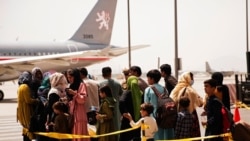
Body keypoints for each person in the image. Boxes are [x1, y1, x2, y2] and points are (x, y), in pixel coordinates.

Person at [170, 72, 203, 139]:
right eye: (192, 78)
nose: (192, 80)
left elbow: (172, 101)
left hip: (178, 115)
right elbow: (200, 103)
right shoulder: (191, 90)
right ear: (188, 79)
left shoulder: (175, 89)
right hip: (191, 116)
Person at [144, 69, 174, 140]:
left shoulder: (148, 90)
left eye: (148, 78)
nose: (147, 80)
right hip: (165, 116)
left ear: (152, 79)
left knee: (155, 136)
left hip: (153, 117)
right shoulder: (164, 89)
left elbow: (146, 106)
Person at [99, 66, 123, 137]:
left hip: (105, 109)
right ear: (111, 73)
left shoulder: (101, 84)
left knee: (106, 129)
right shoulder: (117, 83)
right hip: (116, 108)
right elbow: (121, 94)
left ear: (103, 74)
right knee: (116, 126)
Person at [66, 68, 89, 141]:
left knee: (80, 132)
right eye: (68, 77)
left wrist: (74, 93)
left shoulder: (81, 85)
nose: (69, 79)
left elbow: (82, 99)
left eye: (71, 77)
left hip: (80, 113)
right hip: (73, 113)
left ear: (75, 77)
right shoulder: (70, 86)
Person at [17, 71, 39, 141]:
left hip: (21, 111)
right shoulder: (25, 87)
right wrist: (36, 101)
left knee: (25, 129)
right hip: (26, 111)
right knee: (29, 128)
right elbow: (28, 100)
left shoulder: (20, 87)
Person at [119, 75, 142, 141]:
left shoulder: (127, 92)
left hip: (128, 119)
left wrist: (125, 112)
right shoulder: (140, 93)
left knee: (126, 136)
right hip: (138, 119)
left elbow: (121, 101)